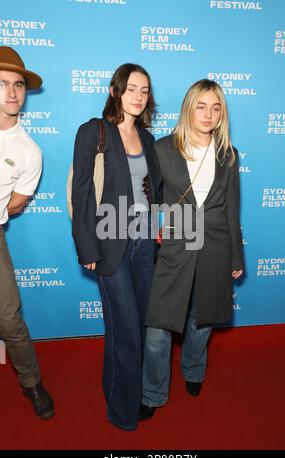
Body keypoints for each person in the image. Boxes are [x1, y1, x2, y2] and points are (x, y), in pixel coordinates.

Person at [139, 79, 244, 420]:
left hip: (215, 246)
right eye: (201, 106)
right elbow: (145, 199)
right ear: (188, 108)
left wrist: (235, 256)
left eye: (216, 107)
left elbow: (231, 208)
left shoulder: (228, 154)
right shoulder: (163, 148)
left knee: (202, 320)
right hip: (175, 246)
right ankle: (152, 392)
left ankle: (194, 372)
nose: (209, 114)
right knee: (158, 327)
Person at [72, 63, 158, 431]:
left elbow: (155, 193)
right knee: (125, 329)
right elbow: (81, 193)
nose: (138, 97)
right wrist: (87, 248)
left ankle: (118, 387)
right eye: (131, 89)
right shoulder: (94, 132)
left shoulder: (149, 139)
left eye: (144, 90)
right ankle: (123, 411)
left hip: (144, 245)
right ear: (115, 91)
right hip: (109, 245)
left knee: (136, 325)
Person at [0, 46, 54, 420]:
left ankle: (32, 383)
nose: (12, 92)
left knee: (9, 319)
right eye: (3, 83)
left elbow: (16, 203)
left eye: (18, 84)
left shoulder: (29, 151)